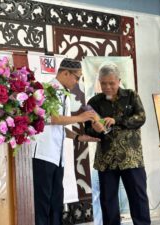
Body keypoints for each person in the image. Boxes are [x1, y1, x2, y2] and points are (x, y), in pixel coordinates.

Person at [32, 58, 99, 225]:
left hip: (58, 157)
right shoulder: (47, 90)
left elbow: (61, 125)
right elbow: (52, 119)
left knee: (56, 201)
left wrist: (78, 137)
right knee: (43, 202)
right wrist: (80, 117)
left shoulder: (65, 95)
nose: (77, 82)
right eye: (76, 77)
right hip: (43, 154)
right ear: (65, 73)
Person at [85, 63, 151, 225]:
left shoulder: (131, 96)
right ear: (99, 82)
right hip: (106, 160)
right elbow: (88, 129)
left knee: (138, 197)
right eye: (103, 83)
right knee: (108, 200)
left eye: (111, 83)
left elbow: (141, 118)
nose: (107, 87)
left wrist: (117, 120)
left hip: (131, 158)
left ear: (118, 81)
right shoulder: (94, 102)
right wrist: (95, 128)